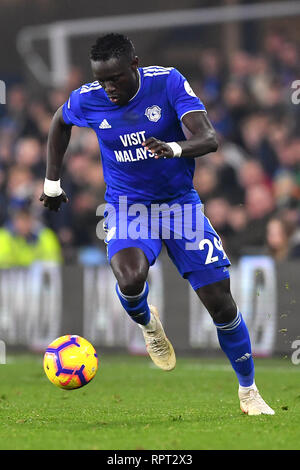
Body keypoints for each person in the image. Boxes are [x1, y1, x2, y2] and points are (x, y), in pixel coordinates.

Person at [40, 33, 274, 416]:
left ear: (134, 64)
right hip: (127, 207)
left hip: (181, 207)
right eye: (102, 80)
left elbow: (209, 137)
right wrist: (52, 182)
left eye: (115, 78)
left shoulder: (167, 82)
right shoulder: (88, 97)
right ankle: (149, 324)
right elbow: (59, 122)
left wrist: (175, 148)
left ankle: (249, 392)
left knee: (220, 302)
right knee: (130, 279)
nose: (109, 88)